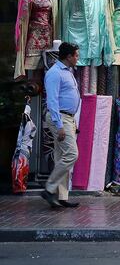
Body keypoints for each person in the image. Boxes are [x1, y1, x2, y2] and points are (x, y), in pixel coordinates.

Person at [41, 42, 81, 208]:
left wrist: (73, 120)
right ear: (68, 56)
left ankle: (61, 196)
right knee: (72, 154)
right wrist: (59, 125)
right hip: (60, 119)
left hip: (68, 118)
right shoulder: (54, 73)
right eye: (76, 55)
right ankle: (49, 189)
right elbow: (52, 101)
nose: (78, 58)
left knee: (61, 157)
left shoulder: (68, 71)